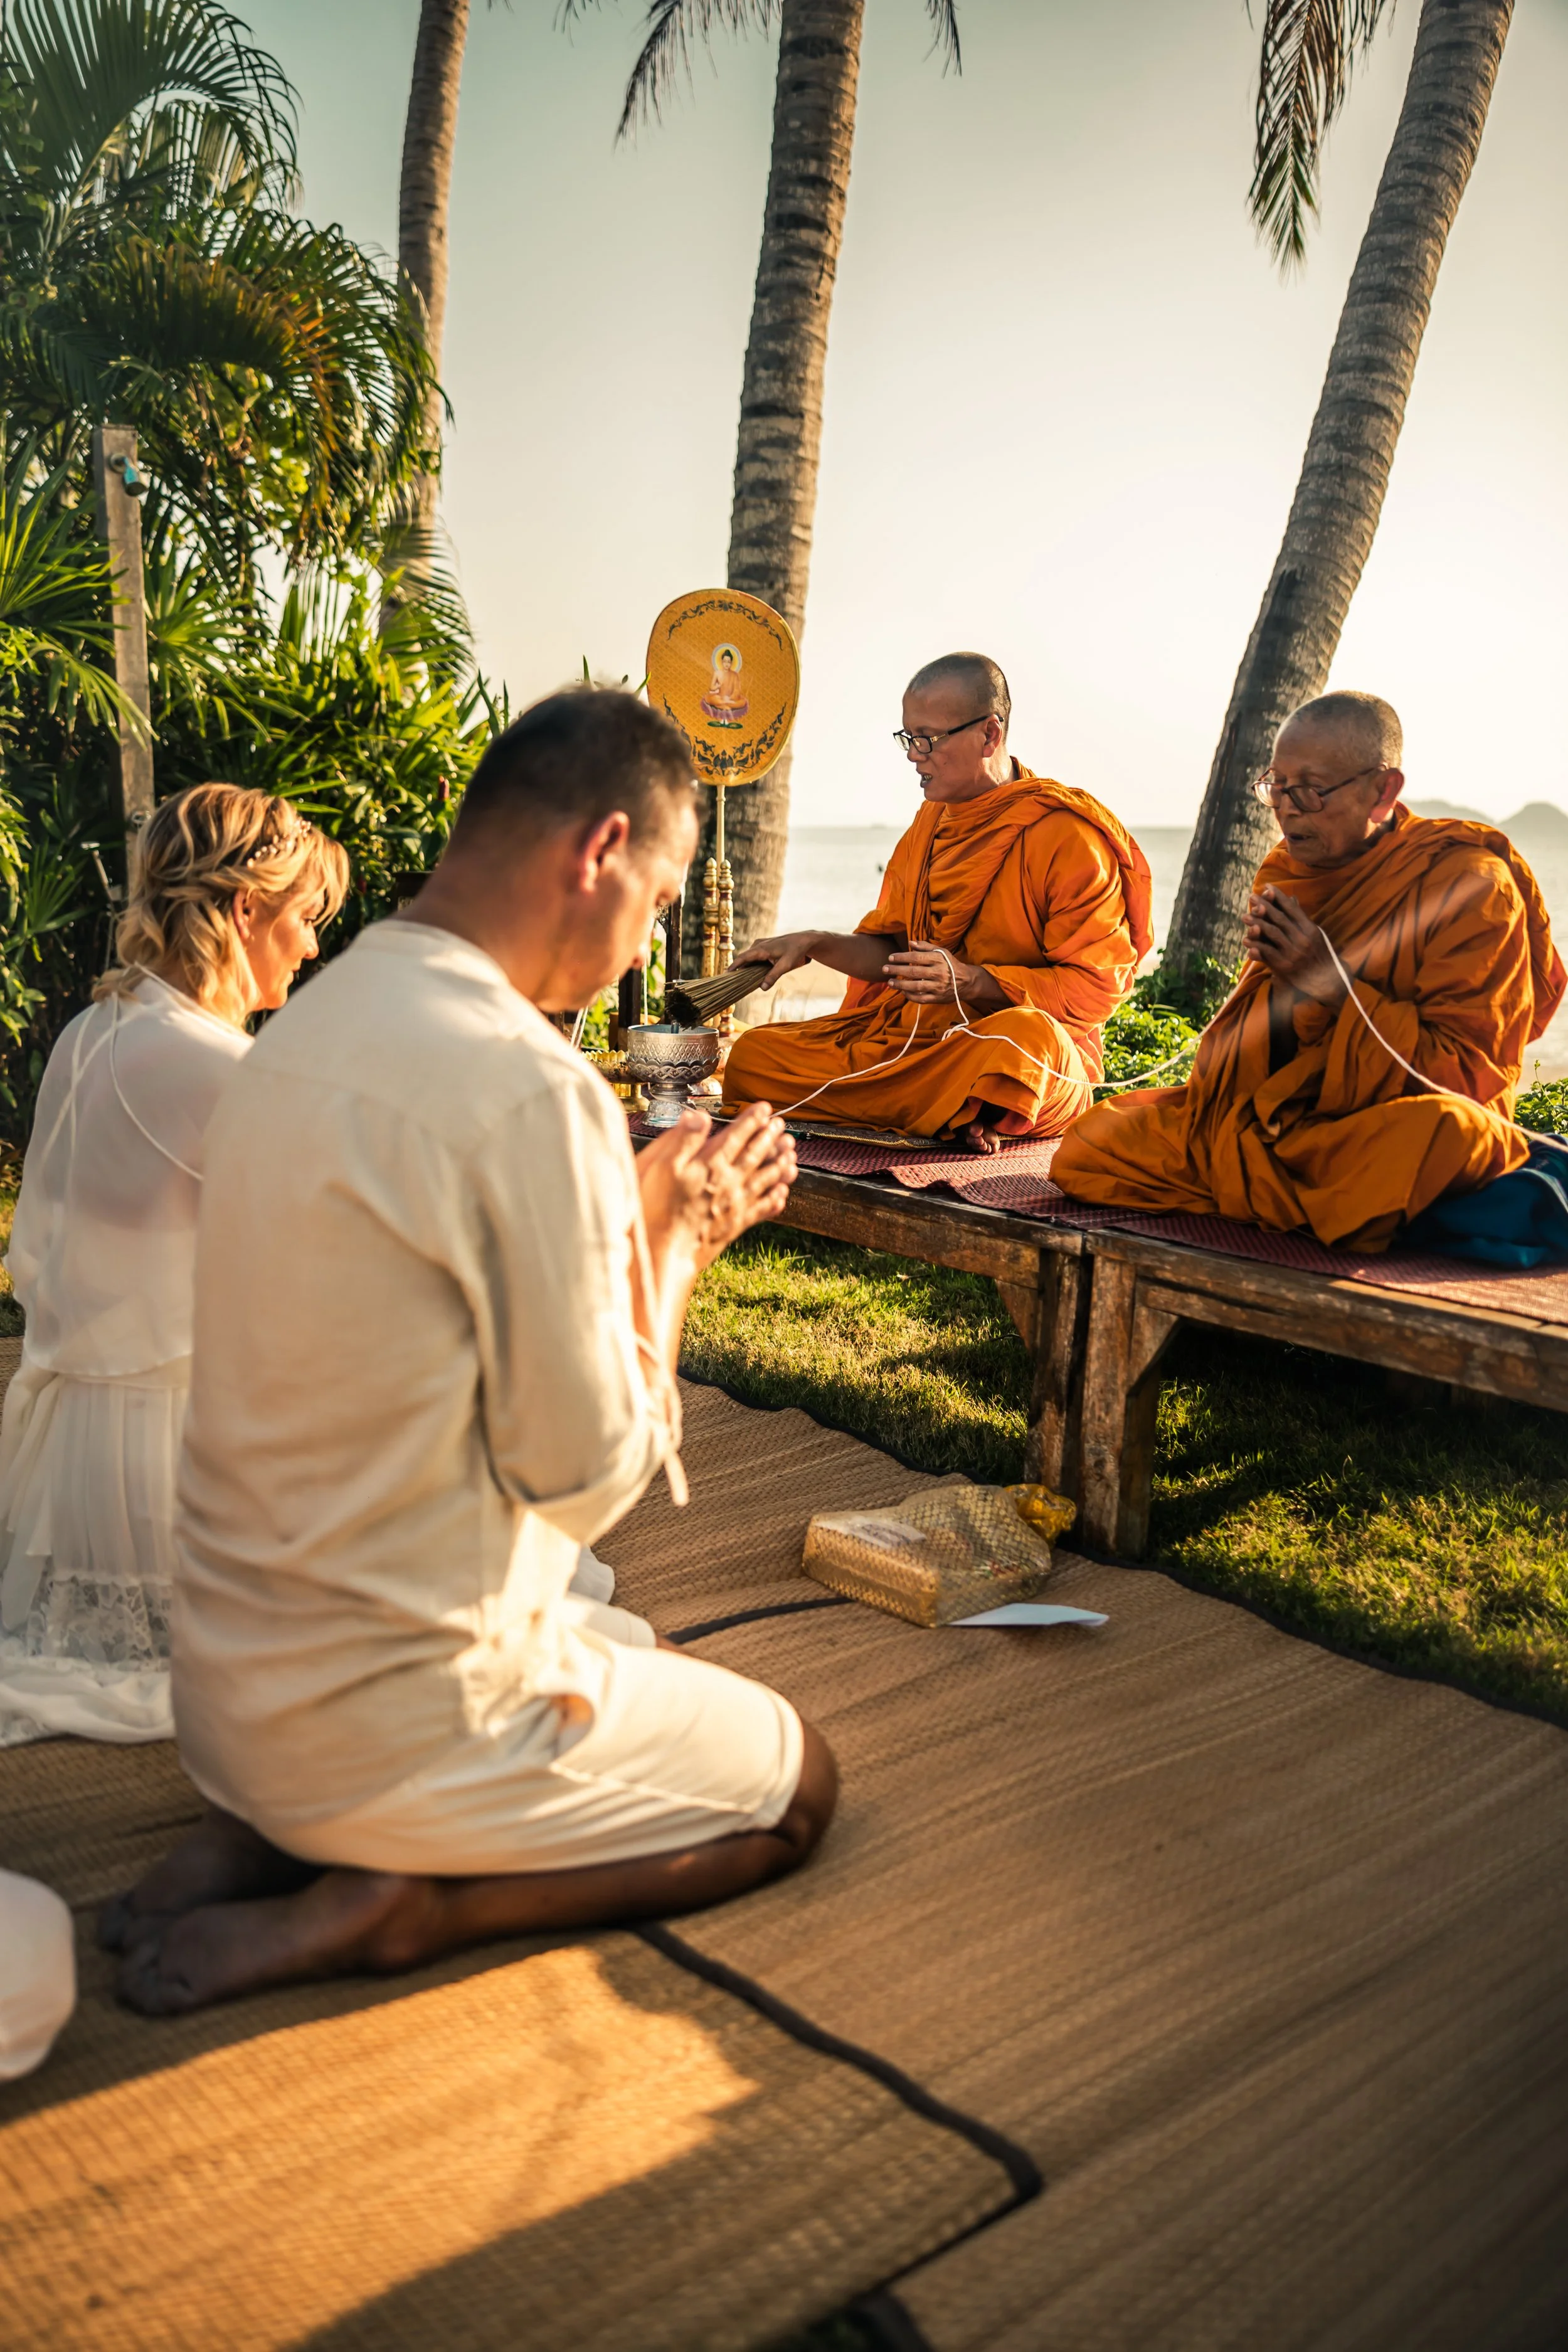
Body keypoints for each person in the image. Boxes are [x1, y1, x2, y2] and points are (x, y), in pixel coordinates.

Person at [103, 690, 829, 2016]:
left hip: (216, 1699)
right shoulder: (524, 1083)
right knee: (796, 1783)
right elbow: (582, 1477)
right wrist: (673, 1237)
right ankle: (404, 1905)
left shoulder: (292, 1033)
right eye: (657, 899)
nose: (640, 949)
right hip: (388, 1736)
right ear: (599, 852)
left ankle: (272, 1835)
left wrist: (634, 1215)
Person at [0, 786, 347, 1747]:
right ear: (246, 910)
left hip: (67, 1463)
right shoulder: (217, 1066)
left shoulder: (90, 1031)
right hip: (174, 1465)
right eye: (305, 919)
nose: (313, 948)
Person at [1052, 692, 1567, 1251]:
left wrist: (1326, 982)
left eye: (1311, 791)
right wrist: (1273, 990)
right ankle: (1350, 1208)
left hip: (1393, 1122)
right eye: (1277, 786)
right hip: (1288, 1124)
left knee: (1449, 1135)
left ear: (1383, 791)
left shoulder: (1473, 885)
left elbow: (1469, 1078)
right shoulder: (1286, 870)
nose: (1287, 808)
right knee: (1091, 1144)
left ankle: (1334, 1198)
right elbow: (1261, 1050)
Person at [722, 652, 1152, 1152]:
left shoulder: (1067, 838)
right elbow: (897, 958)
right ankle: (957, 1111)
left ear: (989, 735)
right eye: (908, 738)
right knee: (755, 1055)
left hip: (1011, 1050)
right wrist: (814, 943)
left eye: (927, 739)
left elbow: (1096, 991)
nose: (913, 755)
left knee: (1027, 1045)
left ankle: (961, 1104)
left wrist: (971, 981)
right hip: (918, 1048)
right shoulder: (927, 828)